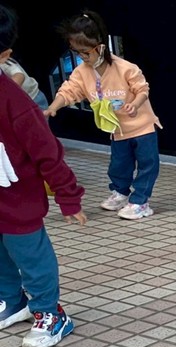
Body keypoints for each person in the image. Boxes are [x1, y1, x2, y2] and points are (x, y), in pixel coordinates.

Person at [0, 4, 86, 347]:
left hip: (18, 200)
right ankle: (12, 301)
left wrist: (68, 196)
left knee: (31, 258)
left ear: (4, 55)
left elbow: (48, 153)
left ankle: (50, 312)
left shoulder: (15, 103)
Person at [45, 10, 161, 220]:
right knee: (119, 165)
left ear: (100, 46)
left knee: (147, 164)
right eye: (76, 52)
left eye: (85, 52)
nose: (82, 57)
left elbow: (142, 89)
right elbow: (69, 91)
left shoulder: (125, 68)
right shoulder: (82, 72)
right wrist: (53, 107)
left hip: (142, 127)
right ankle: (121, 193)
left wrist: (135, 105)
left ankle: (140, 201)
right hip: (117, 129)